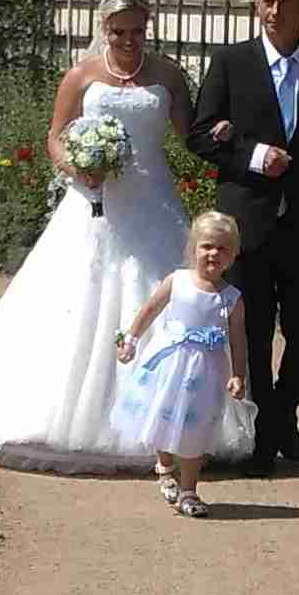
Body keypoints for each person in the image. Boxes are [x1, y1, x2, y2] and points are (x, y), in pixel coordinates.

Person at [0, 0, 255, 474]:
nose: (128, 40)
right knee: (81, 299)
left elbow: (189, 133)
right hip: (95, 205)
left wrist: (222, 132)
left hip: (152, 200)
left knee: (165, 298)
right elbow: (55, 137)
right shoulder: (81, 76)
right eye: (118, 32)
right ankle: (71, 417)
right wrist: (78, 167)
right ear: (104, 30)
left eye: (137, 31)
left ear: (148, 28)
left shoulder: (167, 75)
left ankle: (172, 425)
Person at [189, 0, 299, 474]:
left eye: (283, 2)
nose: (273, 11)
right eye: (265, 1)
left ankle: (283, 411)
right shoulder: (231, 63)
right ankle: (264, 435)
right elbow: (199, 135)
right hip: (248, 224)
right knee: (255, 333)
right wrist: (252, 155)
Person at [112, 212, 251, 517]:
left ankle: (189, 490)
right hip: (169, 364)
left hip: (206, 373)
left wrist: (238, 374)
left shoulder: (231, 298)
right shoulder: (177, 281)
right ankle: (164, 467)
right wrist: (131, 339)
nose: (213, 253)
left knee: (195, 432)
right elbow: (149, 310)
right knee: (162, 418)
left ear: (232, 256)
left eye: (223, 249)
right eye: (207, 246)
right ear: (194, 248)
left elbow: (238, 339)